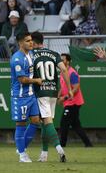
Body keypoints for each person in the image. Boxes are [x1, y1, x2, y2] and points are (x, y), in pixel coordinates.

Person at [31, 32, 72, 162]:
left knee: (47, 122)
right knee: (45, 122)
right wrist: (69, 89)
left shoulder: (32, 55)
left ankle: (60, 150)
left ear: (34, 42)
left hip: (40, 92)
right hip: (53, 92)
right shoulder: (54, 54)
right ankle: (44, 154)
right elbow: (64, 70)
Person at [10, 33, 42, 162]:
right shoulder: (17, 59)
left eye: (31, 40)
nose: (31, 43)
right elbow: (22, 79)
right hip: (20, 97)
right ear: (20, 43)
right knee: (21, 124)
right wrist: (37, 81)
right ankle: (22, 155)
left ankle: (21, 148)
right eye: (27, 41)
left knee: (35, 121)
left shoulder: (31, 55)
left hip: (31, 96)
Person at [58, 53, 93, 147]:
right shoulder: (62, 72)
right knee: (76, 125)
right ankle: (88, 144)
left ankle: (62, 145)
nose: (61, 61)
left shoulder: (72, 73)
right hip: (68, 102)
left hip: (74, 102)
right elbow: (62, 86)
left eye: (63, 60)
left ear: (68, 61)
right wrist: (58, 97)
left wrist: (64, 98)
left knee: (64, 123)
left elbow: (76, 88)